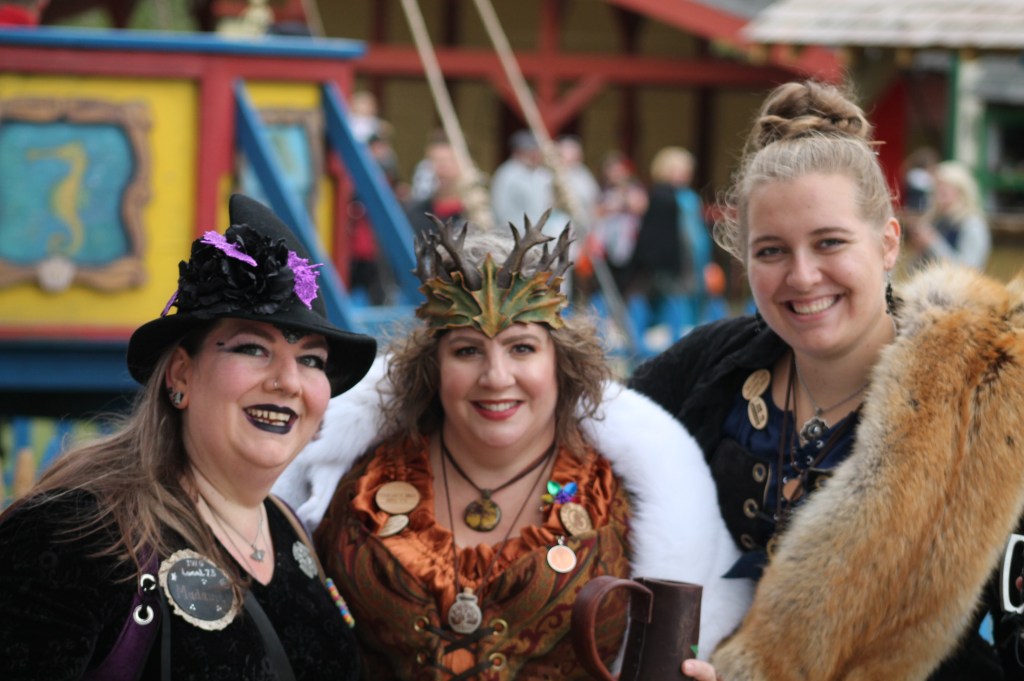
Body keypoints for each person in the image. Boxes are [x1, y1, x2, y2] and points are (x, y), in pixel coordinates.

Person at [629, 80, 1024, 681]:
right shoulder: (709, 364)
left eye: (829, 243)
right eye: (771, 251)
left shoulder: (986, 396)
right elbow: (579, 469)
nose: (803, 276)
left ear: (888, 243)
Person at [273, 212, 751, 679]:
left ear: (559, 361)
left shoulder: (623, 501)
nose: (496, 377)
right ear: (434, 365)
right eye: (467, 350)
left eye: (521, 348)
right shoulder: (354, 482)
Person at [0, 194, 377, 680]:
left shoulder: (288, 525)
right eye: (252, 349)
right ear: (181, 374)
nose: (289, 381)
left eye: (311, 360)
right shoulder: (77, 534)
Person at [626, 146, 712, 352]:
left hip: (691, 261)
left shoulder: (688, 198)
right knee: (668, 305)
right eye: (678, 170)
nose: (684, 175)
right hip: (669, 261)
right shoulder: (662, 196)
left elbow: (696, 234)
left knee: (686, 304)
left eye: (686, 170)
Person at [906, 159, 992, 271]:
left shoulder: (973, 224)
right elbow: (914, 269)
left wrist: (932, 242)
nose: (938, 195)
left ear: (961, 192)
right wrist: (921, 249)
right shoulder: (938, 220)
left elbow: (969, 269)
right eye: (936, 189)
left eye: (944, 190)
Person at [489, 130, 555, 234]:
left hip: (539, 233)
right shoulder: (507, 174)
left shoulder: (542, 174)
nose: (535, 156)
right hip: (515, 234)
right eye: (530, 152)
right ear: (518, 152)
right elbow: (500, 208)